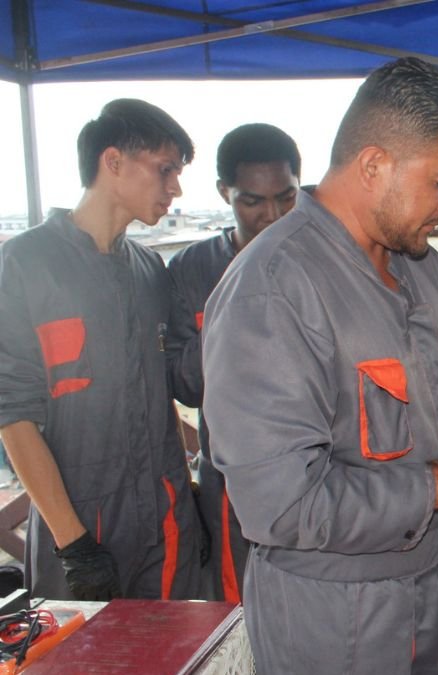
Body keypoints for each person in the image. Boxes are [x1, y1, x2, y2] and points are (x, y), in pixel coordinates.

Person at [201, 57, 438, 674]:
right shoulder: (273, 291)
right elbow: (283, 506)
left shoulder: (423, 268)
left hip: (430, 593)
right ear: (374, 165)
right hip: (329, 616)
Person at [0, 98, 204, 601]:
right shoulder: (25, 263)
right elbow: (13, 415)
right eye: (165, 170)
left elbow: (155, 397)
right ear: (112, 162)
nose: (175, 188)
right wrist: (74, 547)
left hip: (166, 520)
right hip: (81, 526)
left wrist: (193, 476)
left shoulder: (148, 271)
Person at [165, 122, 301, 603]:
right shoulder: (192, 269)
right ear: (225, 192)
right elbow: (184, 385)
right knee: (237, 611)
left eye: (286, 198)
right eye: (252, 201)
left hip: (318, 474)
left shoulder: (321, 261)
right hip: (231, 484)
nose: (272, 215)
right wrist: (237, 330)